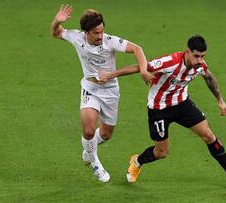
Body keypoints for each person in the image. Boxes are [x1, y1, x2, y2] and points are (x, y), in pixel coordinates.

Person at [100, 35, 226, 184]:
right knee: (161, 152)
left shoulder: (200, 65)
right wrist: (110, 75)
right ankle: (137, 161)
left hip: (182, 104)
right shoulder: (170, 62)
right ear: (187, 52)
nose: (199, 60)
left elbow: (209, 78)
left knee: (209, 136)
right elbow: (141, 66)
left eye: (202, 56)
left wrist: (220, 100)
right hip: (159, 108)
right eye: (196, 56)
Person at [50, 4, 153, 183]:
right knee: (89, 129)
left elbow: (137, 49)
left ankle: (89, 150)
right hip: (90, 88)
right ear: (86, 32)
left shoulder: (110, 41)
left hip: (111, 91)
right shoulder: (76, 37)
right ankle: (95, 162)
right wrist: (56, 22)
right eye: (96, 33)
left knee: (106, 134)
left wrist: (143, 70)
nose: (100, 36)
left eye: (102, 31)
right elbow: (56, 32)